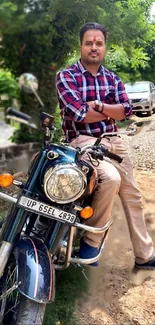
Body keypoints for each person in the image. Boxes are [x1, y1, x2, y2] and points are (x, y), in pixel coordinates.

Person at [56, 22, 155, 268]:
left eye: (99, 43)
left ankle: (145, 256)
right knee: (110, 179)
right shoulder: (66, 76)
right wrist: (109, 110)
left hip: (115, 141)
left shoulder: (112, 78)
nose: (94, 47)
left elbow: (126, 110)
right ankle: (91, 242)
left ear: (104, 48)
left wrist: (97, 106)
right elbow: (80, 115)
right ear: (81, 46)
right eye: (89, 42)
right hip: (83, 141)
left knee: (133, 196)